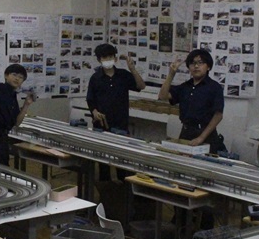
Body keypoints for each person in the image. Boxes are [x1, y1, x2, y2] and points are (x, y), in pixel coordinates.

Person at [86, 43, 146, 180]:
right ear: (99, 60)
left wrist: (132, 69)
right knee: (103, 161)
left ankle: (122, 185)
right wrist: (94, 112)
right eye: (104, 57)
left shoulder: (123, 75)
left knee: (121, 159)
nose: (108, 60)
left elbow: (141, 86)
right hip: (102, 124)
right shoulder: (95, 78)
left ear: (115, 58)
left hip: (120, 123)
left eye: (110, 56)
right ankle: (106, 186)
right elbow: (90, 99)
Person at [158, 49, 227, 154]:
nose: (196, 66)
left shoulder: (215, 87)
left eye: (200, 62)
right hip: (186, 132)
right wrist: (171, 74)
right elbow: (162, 96)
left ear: (208, 67)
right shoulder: (185, 86)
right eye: (192, 63)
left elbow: (218, 115)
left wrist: (201, 138)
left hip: (206, 135)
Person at [0, 46, 35, 166]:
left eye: (21, 77)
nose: (17, 78)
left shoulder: (13, 97)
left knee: (3, 167)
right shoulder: (0, 88)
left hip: (3, 137)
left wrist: (26, 105)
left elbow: (17, 123)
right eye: (14, 75)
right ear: (6, 76)